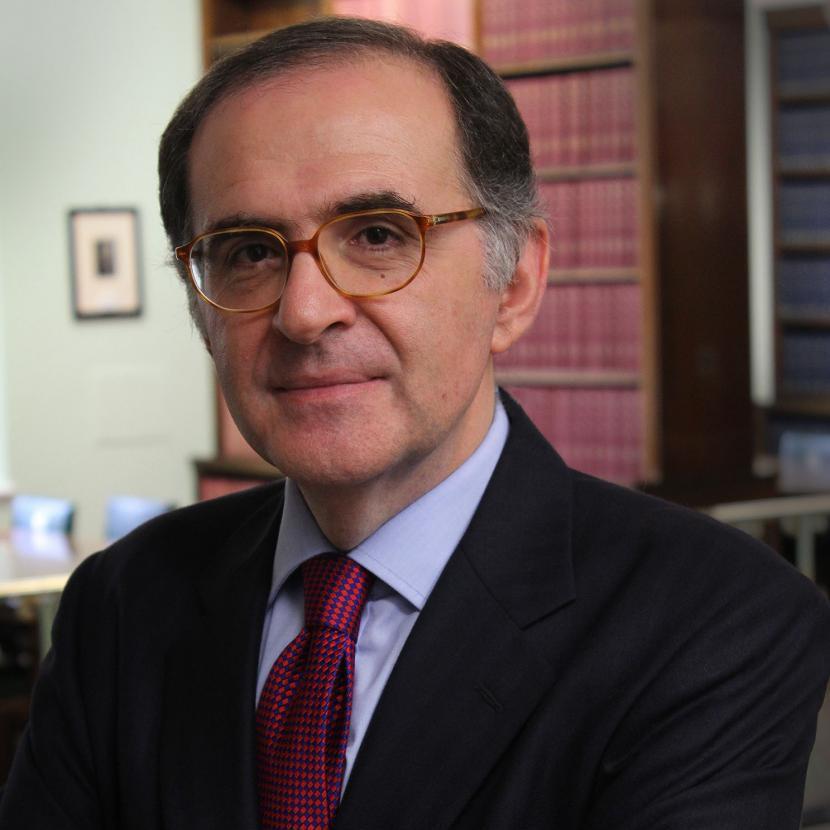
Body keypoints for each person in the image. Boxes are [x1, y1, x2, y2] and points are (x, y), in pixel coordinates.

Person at [2, 16, 829, 830]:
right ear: (198, 304)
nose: (305, 312)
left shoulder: (718, 622)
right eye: (249, 250)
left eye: (376, 234)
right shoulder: (122, 605)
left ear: (514, 285)